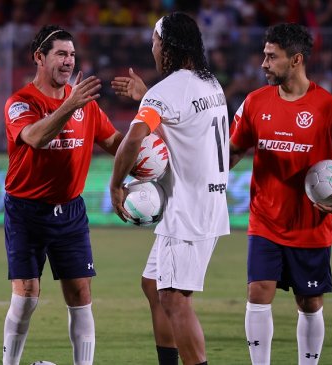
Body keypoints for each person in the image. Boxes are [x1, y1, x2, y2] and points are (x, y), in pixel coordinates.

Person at [228, 23, 332, 365]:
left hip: (310, 225)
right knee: (258, 291)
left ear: (296, 60)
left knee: (309, 302)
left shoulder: (330, 108)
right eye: (264, 55)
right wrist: (208, 176)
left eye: (271, 57)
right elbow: (231, 153)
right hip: (265, 221)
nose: (263, 63)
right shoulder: (254, 102)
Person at [110, 12, 230, 365]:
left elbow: (134, 138)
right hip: (206, 202)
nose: (153, 50)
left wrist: (117, 184)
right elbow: (183, 127)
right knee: (153, 285)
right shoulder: (210, 84)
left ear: (170, 46)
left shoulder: (167, 91)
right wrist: (147, 97)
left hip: (187, 210)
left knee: (176, 299)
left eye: (155, 43)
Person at [2, 24, 123, 365]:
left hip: (70, 211)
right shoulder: (20, 102)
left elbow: (115, 143)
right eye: (60, 54)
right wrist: (70, 105)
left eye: (72, 54)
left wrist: (146, 155)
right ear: (39, 57)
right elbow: (36, 138)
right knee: (26, 295)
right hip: (26, 211)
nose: (69, 61)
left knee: (81, 293)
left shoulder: (85, 105)